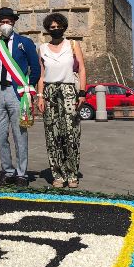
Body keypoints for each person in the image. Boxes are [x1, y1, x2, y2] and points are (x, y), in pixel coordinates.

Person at [0, 7, 40, 187]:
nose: (5, 25)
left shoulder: (25, 42)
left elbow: (35, 68)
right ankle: (8, 170)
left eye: (8, 22)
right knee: (0, 135)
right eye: (2, 22)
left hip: (17, 92)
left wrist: (28, 87)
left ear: (14, 22)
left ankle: (22, 173)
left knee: (20, 134)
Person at [37, 13, 86, 188]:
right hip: (49, 91)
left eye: (58, 27)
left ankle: (72, 173)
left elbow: (81, 69)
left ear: (64, 27)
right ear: (48, 29)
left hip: (69, 90)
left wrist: (82, 93)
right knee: (52, 134)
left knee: (71, 133)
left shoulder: (72, 45)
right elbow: (41, 75)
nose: (56, 29)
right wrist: (40, 96)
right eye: (52, 27)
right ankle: (58, 174)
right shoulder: (42, 48)